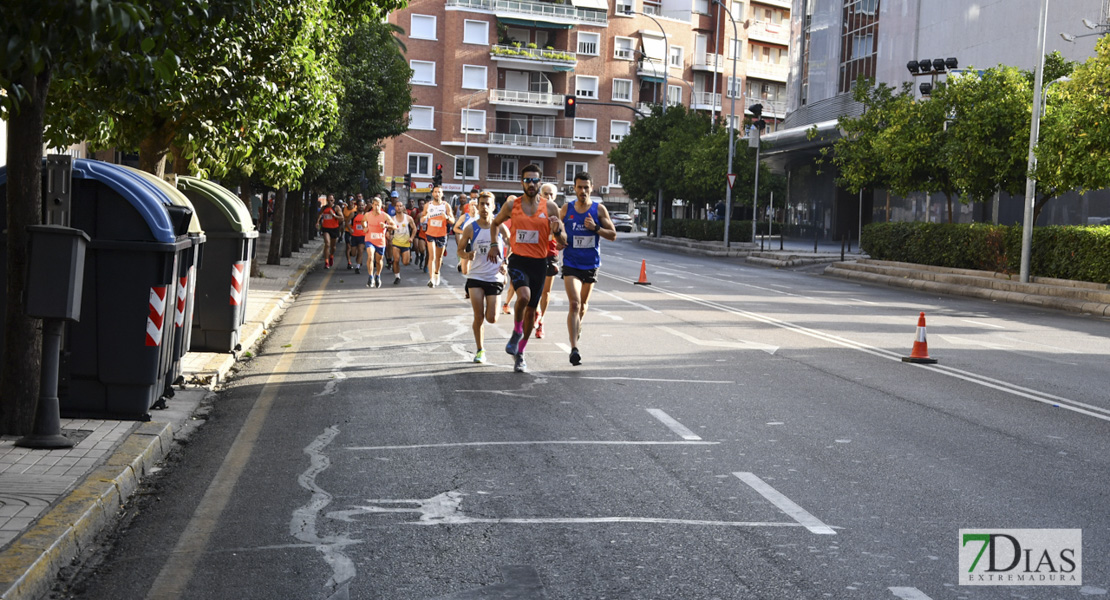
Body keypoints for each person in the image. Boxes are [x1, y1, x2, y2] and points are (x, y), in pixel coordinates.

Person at [489, 164, 568, 373]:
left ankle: (520, 353)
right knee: (523, 296)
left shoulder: (550, 207)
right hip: (518, 260)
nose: (531, 184)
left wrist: (557, 230)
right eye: (527, 180)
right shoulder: (511, 205)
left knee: (532, 310)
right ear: (521, 182)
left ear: (539, 183)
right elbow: (495, 223)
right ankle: (516, 332)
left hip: (539, 263)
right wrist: (494, 244)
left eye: (534, 180)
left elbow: (563, 239)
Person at [559, 171, 616, 366]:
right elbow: (557, 233)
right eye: (579, 187)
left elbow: (613, 235)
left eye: (586, 187)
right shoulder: (566, 209)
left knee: (582, 306)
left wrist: (596, 229)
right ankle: (574, 348)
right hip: (571, 263)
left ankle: (578, 326)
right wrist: (558, 239)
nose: (583, 191)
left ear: (591, 187)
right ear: (574, 188)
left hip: (590, 264)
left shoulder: (599, 210)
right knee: (574, 304)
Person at [457, 191, 511, 364]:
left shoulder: (500, 226)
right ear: (477, 206)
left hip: (494, 277)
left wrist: (505, 263)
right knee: (478, 316)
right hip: (476, 277)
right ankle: (480, 350)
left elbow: (512, 245)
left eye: (488, 204)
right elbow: (459, 250)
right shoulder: (470, 228)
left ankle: (495, 304)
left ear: (494, 206)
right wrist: (467, 255)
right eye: (482, 204)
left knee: (492, 318)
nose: (485, 207)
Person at [534, 183, 563, 339]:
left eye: (551, 194)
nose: (549, 197)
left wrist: (562, 243)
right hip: (533, 253)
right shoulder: (534, 211)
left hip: (550, 255)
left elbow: (565, 236)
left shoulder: (558, 213)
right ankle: (536, 311)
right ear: (540, 195)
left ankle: (541, 321)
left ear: (555, 196)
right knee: (532, 290)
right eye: (546, 194)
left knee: (546, 291)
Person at [421, 185, 455, 287]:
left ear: (442, 193)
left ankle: (436, 272)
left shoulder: (446, 206)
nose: (437, 194)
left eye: (439, 192)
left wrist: (447, 217)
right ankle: (431, 279)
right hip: (430, 233)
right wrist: (424, 217)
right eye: (435, 192)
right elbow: (422, 218)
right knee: (432, 256)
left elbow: (453, 221)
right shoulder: (428, 205)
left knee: (439, 258)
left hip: (441, 234)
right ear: (432, 194)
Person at [363, 197, 396, 288]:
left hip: (380, 241)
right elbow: (363, 221)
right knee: (370, 256)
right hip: (369, 239)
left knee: (379, 261)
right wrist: (365, 226)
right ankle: (370, 277)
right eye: (375, 205)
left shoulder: (384, 215)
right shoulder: (367, 215)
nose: (376, 207)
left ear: (381, 206)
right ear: (372, 205)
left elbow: (394, 226)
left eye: (378, 205)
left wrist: (386, 225)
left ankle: (377, 275)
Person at [389, 199, 415, 284]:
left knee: (405, 262)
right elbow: (389, 230)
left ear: (403, 207)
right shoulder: (392, 219)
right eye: (397, 206)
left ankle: (403, 261)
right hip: (396, 243)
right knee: (396, 260)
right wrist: (389, 234)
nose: (399, 207)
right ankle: (397, 277)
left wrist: (411, 238)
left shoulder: (408, 218)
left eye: (400, 206)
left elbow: (414, 228)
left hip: (406, 243)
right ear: (395, 208)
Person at [316, 194, 343, 269]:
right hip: (326, 228)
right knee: (327, 244)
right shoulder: (324, 208)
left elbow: (342, 218)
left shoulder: (336, 208)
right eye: (328, 200)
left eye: (331, 200)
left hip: (334, 228)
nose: (330, 202)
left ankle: (331, 255)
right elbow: (320, 214)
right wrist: (318, 222)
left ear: (334, 200)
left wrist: (334, 215)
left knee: (333, 247)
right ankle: (326, 261)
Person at [348, 199, 368, 274]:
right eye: (359, 205)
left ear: (364, 206)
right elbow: (346, 221)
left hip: (362, 236)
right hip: (354, 236)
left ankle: (358, 267)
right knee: (353, 253)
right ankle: (354, 256)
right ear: (357, 206)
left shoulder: (366, 215)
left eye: (362, 205)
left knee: (360, 250)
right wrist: (350, 229)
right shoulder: (353, 214)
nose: (361, 206)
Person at [343, 194, 361, 269]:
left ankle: (357, 258)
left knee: (355, 248)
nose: (350, 201)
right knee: (348, 246)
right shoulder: (344, 209)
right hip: (348, 230)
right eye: (349, 200)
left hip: (356, 231)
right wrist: (349, 229)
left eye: (352, 200)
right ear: (347, 201)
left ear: (354, 201)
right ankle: (349, 262)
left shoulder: (357, 209)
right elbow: (345, 220)